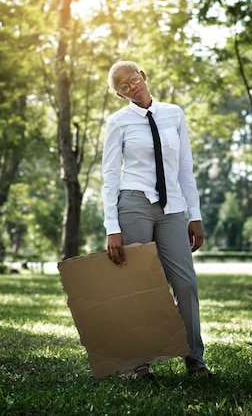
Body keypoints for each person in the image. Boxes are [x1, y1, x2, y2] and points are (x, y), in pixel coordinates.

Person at [101, 60, 212, 379]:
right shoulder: (118, 123)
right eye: (122, 86)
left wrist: (195, 214)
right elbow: (110, 176)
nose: (131, 85)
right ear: (120, 95)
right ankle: (140, 363)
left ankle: (195, 359)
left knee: (186, 283)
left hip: (173, 207)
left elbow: (184, 169)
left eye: (133, 78)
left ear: (143, 76)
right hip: (134, 203)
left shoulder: (174, 114)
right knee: (141, 285)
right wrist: (113, 227)